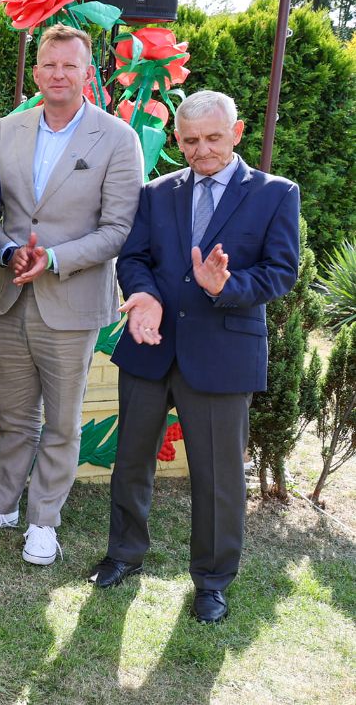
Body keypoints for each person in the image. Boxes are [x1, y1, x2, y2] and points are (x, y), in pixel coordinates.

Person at [89, 91, 300, 624]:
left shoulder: (276, 193)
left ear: (237, 131)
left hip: (222, 352)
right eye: (189, 140)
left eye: (212, 138)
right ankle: (124, 554)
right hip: (150, 344)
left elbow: (281, 272)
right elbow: (133, 258)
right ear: (177, 140)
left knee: (216, 475)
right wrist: (146, 296)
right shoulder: (156, 192)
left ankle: (211, 580)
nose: (200, 150)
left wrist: (227, 284)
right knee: (131, 460)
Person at [0, 24, 142, 566]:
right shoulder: (5, 130)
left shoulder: (116, 138)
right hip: (11, 293)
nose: (58, 74)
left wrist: (54, 259)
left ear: (88, 73)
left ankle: (44, 520)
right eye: (49, 65)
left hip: (72, 296)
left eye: (70, 65)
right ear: (36, 72)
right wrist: (9, 249)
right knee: (12, 413)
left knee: (61, 421)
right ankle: (2, 504)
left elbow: (118, 228)